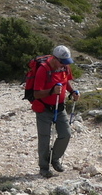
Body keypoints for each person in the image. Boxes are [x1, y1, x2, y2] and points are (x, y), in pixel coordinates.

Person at [30, 45, 79, 178]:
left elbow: (66, 82)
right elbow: (36, 94)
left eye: (66, 62)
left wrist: (72, 91)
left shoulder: (64, 67)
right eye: (62, 62)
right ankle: (44, 167)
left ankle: (54, 159)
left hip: (60, 107)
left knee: (66, 134)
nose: (64, 65)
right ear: (54, 58)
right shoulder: (43, 70)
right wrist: (51, 91)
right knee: (44, 139)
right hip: (43, 109)